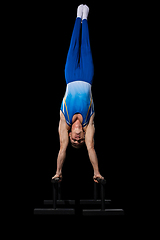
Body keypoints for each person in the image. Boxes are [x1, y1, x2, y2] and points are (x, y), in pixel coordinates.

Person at [52, 5, 105, 183]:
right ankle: (85, 19)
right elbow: (91, 147)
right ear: (82, 136)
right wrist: (96, 172)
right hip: (87, 77)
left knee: (74, 46)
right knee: (86, 47)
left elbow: (61, 149)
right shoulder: (88, 123)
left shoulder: (64, 121)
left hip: (70, 76)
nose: (77, 140)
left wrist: (58, 172)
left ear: (69, 136)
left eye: (74, 142)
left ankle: (77, 17)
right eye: (79, 141)